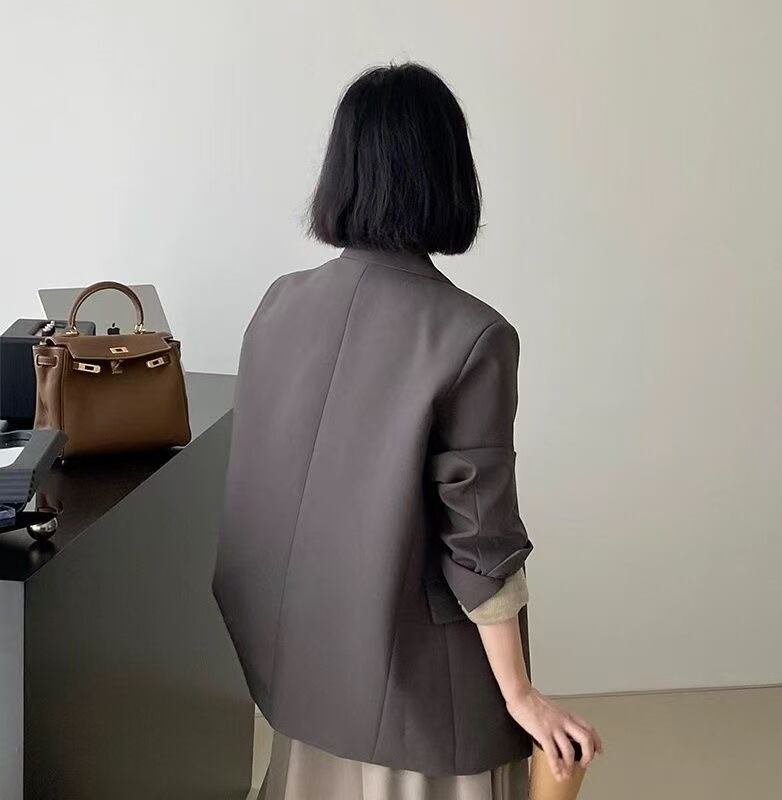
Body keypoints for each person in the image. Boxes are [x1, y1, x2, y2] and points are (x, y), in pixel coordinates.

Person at [212, 62, 603, 800]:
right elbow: (480, 541)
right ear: (446, 175)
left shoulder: (279, 305)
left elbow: (264, 495)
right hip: (418, 699)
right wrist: (520, 694)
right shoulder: (473, 335)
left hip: (305, 672)